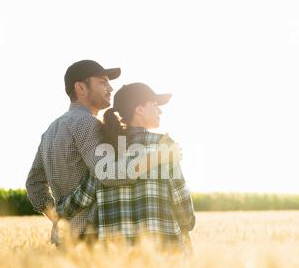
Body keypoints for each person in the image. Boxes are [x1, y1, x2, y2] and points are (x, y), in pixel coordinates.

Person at [56, 83, 196, 252]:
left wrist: (56, 208)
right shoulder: (164, 146)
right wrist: (187, 224)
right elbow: (180, 198)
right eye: (155, 105)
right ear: (139, 109)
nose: (160, 111)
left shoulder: (105, 151)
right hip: (162, 253)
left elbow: (82, 198)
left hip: (116, 261)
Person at [26, 60, 137, 244]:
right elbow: (109, 174)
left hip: (64, 238)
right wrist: (151, 160)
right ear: (81, 88)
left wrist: (59, 220)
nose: (110, 88)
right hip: (91, 235)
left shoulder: (50, 130)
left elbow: (33, 184)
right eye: (102, 82)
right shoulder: (87, 123)